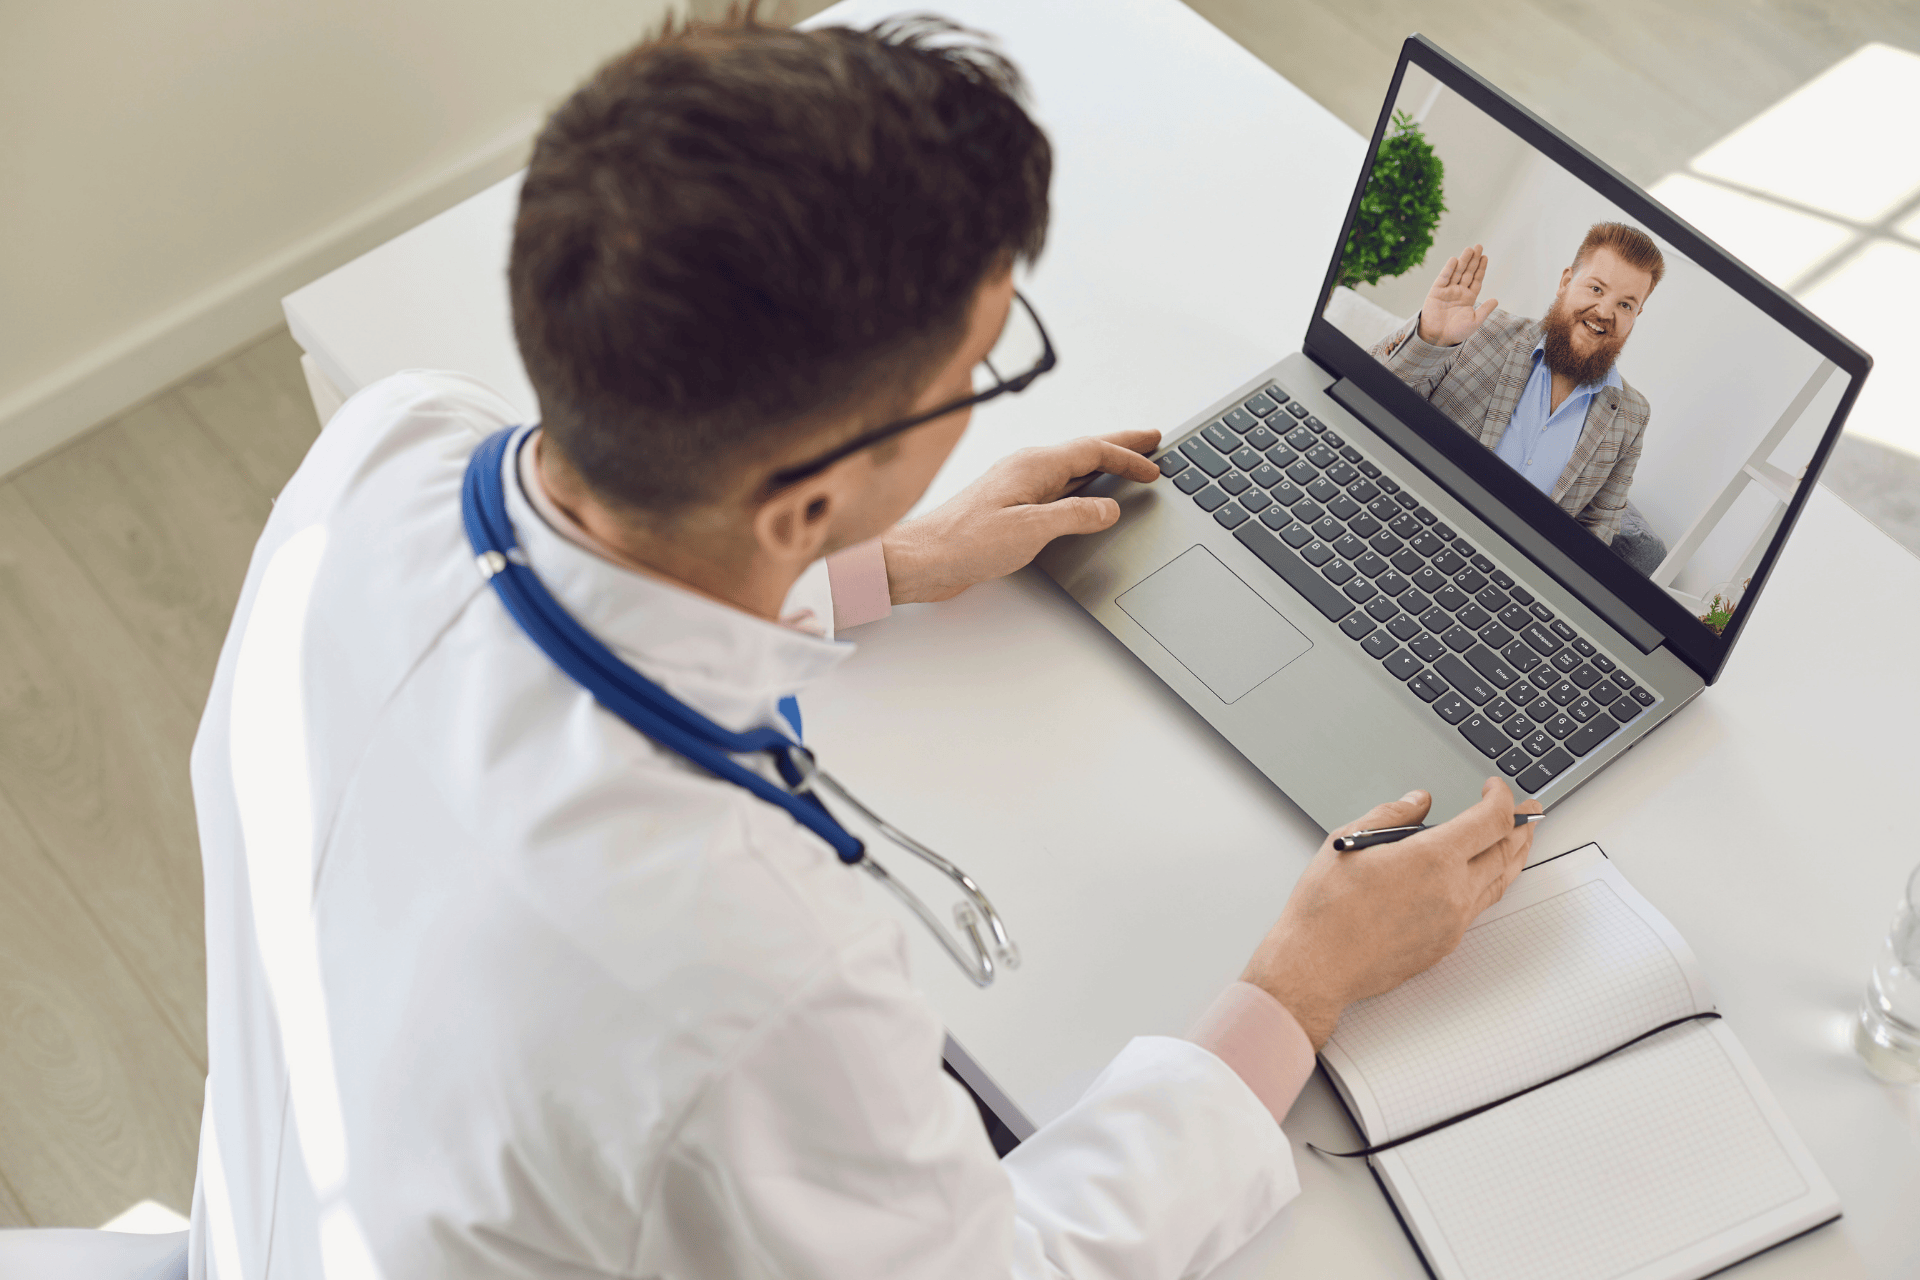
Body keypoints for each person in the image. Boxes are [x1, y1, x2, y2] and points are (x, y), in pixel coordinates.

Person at [187, 14, 1538, 1278]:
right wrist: (1300, 989)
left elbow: (602, 570)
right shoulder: (753, 974)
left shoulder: (394, 443)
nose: (977, 392)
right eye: (973, 369)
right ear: (803, 491)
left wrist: (880, 562)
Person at [1370, 225, 1664, 545]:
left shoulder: (1632, 415)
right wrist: (1429, 339)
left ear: (1638, 313)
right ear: (1566, 282)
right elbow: (1371, 397)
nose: (1605, 311)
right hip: (1410, 521)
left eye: (1626, 305)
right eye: (1596, 289)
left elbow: (1598, 530)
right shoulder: (1478, 331)